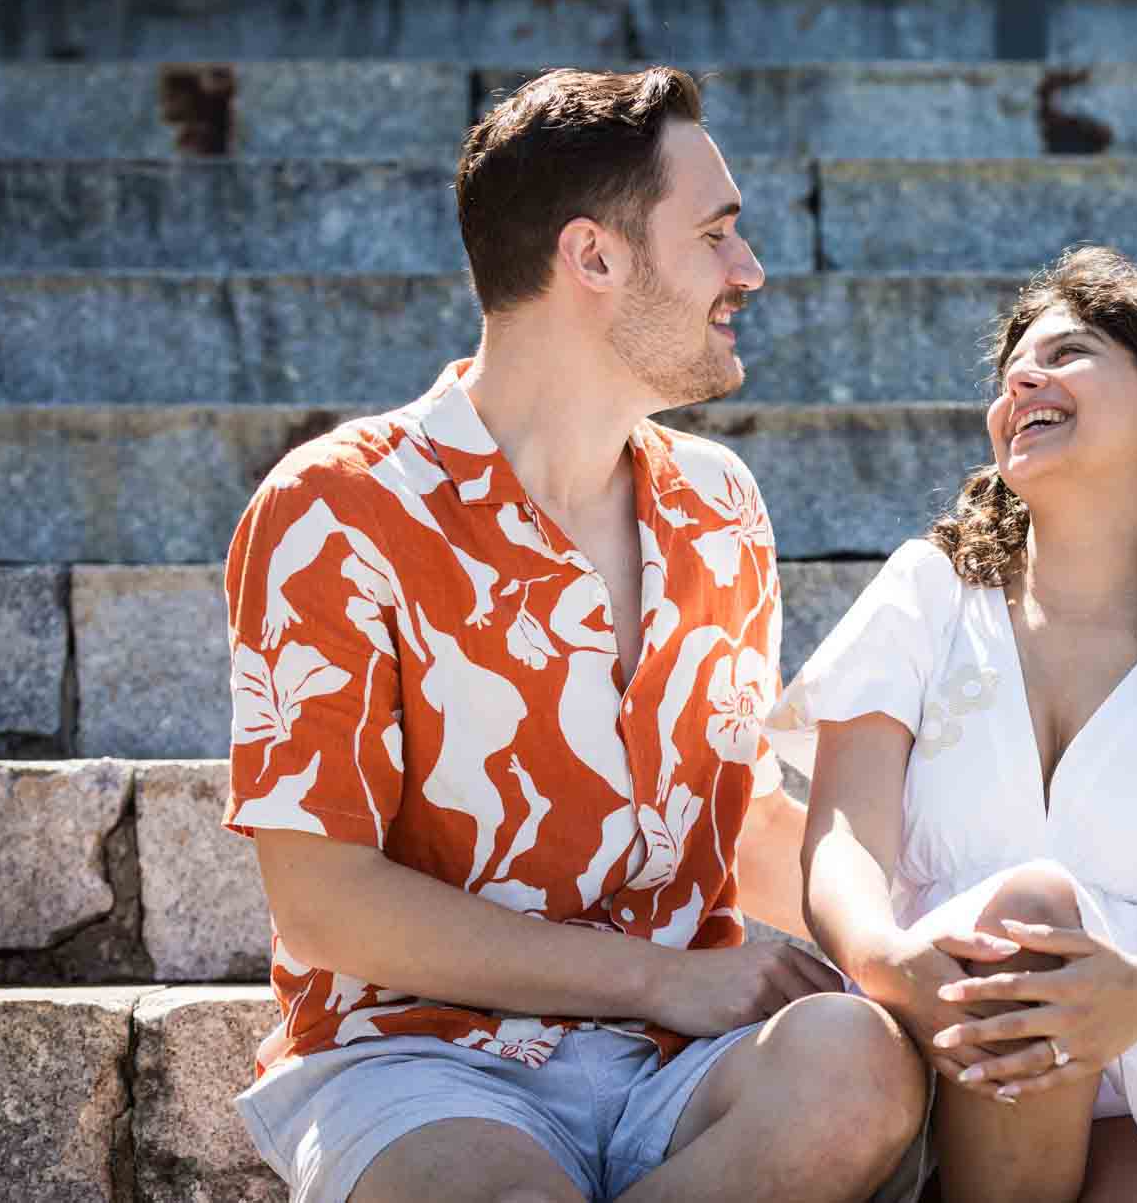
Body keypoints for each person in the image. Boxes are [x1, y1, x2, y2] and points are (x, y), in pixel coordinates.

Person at [220, 67, 929, 1203]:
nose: (747, 271)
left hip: (682, 1066)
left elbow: (733, 809)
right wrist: (655, 977)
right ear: (592, 257)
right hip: (418, 1056)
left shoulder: (722, 507)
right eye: (715, 236)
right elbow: (323, 898)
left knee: (855, 1069)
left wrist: (940, 949)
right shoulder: (335, 510)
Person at [772, 247, 1137, 1202]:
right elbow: (841, 845)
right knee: (1032, 913)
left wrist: (1131, 994)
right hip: (938, 1038)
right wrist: (886, 960)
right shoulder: (926, 595)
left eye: (1069, 352)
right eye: (1012, 367)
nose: (1021, 377)